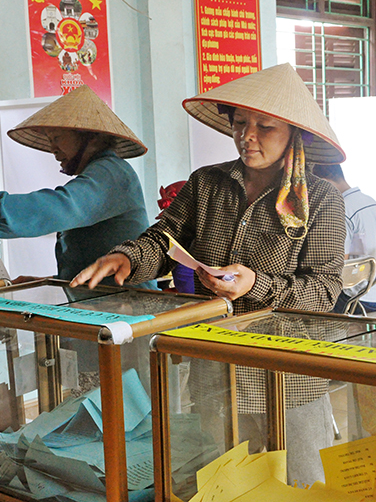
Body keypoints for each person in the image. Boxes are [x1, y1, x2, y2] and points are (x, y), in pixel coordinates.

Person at [71, 63, 347, 487]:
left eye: (265, 127)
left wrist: (258, 284)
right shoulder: (208, 184)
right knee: (223, 483)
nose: (247, 136)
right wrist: (128, 257)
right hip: (216, 369)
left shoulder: (322, 200)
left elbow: (324, 290)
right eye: (239, 124)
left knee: (299, 485)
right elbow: (164, 239)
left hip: (289, 377)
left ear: (294, 133)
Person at [0, 85, 151, 282]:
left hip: (123, 313)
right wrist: (49, 283)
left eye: (58, 139)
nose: (53, 149)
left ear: (90, 139)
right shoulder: (100, 174)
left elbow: (56, 208)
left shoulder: (112, 175)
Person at [312, 163, 376, 314]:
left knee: (312, 300)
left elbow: (340, 264)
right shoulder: (370, 201)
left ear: (323, 182)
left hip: (360, 298)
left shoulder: (342, 207)